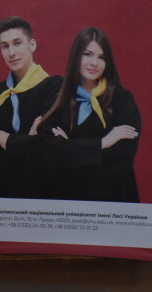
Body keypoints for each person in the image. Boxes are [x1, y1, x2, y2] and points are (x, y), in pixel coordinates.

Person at [37, 26, 141, 202]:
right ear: (76, 56)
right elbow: (49, 153)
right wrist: (103, 143)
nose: (94, 63)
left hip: (112, 199)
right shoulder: (57, 101)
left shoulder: (123, 100)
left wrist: (70, 147)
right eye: (87, 54)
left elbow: (121, 160)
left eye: (101, 57)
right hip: (67, 201)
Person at [0, 16, 62, 198]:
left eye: (17, 43)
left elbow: (45, 145)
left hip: (41, 191)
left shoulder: (54, 86)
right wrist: (26, 146)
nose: (11, 52)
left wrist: (0, 137)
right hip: (1, 191)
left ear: (32, 45)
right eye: (5, 46)